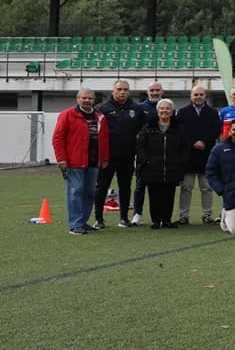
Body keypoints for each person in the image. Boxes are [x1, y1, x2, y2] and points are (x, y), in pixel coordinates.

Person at [53, 88, 111, 235]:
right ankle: (75, 224)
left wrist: (104, 158)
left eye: (90, 98)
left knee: (89, 193)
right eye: (84, 98)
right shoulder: (67, 115)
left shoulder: (99, 116)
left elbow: (104, 139)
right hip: (74, 161)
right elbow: (58, 138)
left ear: (94, 100)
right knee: (75, 193)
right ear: (77, 99)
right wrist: (61, 159)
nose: (87, 101)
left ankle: (83, 222)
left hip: (93, 162)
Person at [94, 79, 144, 229]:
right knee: (102, 187)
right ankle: (99, 219)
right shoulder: (102, 108)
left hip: (127, 155)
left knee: (125, 187)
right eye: (119, 89)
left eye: (125, 89)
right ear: (113, 91)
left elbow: (142, 130)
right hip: (107, 157)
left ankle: (124, 218)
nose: (122, 92)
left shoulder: (136, 109)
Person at [134, 99, 185, 229]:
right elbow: (140, 146)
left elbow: (185, 147)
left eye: (167, 109)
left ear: (172, 111)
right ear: (157, 111)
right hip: (152, 168)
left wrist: (180, 161)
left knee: (169, 195)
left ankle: (167, 220)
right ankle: (156, 220)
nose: (164, 111)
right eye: (162, 109)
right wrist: (146, 160)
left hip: (171, 167)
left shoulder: (178, 128)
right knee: (154, 195)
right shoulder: (148, 128)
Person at [176, 85, 220, 225]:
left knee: (206, 188)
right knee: (186, 188)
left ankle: (207, 215)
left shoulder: (213, 112)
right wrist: (193, 142)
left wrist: (204, 142)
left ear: (205, 96)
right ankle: (184, 215)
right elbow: (180, 131)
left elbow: (216, 130)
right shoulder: (183, 113)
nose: (198, 97)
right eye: (196, 95)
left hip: (206, 155)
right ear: (191, 96)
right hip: (188, 156)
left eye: (201, 94)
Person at [130, 81, 165, 226]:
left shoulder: (167, 106)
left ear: (162, 91)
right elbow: (135, 130)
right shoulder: (140, 108)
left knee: (160, 186)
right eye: (152, 90)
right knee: (140, 184)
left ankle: (160, 215)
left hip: (161, 153)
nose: (155, 92)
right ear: (147, 91)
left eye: (157, 90)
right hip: (144, 153)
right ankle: (137, 213)